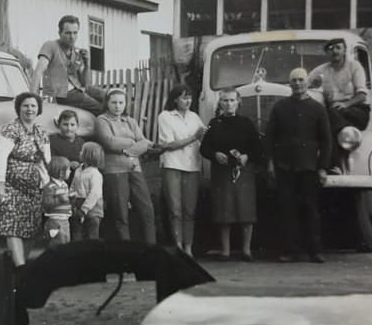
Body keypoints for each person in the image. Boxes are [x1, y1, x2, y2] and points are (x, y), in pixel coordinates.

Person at [265, 68, 332, 264]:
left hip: (309, 167)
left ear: (307, 82)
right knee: (287, 210)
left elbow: (326, 141)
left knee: (311, 209)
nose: (297, 84)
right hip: (284, 167)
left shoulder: (318, 109)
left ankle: (315, 251)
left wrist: (323, 168)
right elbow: (269, 138)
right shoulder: (280, 107)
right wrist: (270, 163)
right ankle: (290, 251)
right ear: (289, 83)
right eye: (293, 80)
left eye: (301, 80)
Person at [0, 92, 51, 266]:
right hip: (10, 185)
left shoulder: (41, 131)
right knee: (12, 225)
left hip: (32, 188)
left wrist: (48, 183)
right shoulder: (11, 129)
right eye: (25, 105)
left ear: (39, 109)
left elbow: (47, 159)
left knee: (31, 228)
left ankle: (17, 266)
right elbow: (0, 156)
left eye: (33, 106)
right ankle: (20, 267)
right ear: (18, 108)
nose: (29, 109)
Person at [200, 87, 264, 261]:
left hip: (244, 171)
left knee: (246, 210)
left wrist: (247, 156)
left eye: (232, 100)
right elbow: (204, 148)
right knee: (224, 210)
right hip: (222, 172)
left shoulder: (246, 123)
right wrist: (215, 154)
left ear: (238, 102)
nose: (229, 104)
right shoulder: (215, 123)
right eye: (225, 100)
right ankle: (226, 251)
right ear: (220, 103)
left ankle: (246, 250)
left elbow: (258, 147)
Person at [95, 88, 157, 243]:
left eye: (121, 102)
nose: (117, 106)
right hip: (115, 171)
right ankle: (125, 250)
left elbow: (144, 143)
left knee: (147, 209)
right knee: (121, 213)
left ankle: (152, 248)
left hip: (135, 169)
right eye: (114, 102)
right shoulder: (102, 120)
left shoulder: (131, 121)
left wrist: (127, 149)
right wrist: (131, 143)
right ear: (107, 103)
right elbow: (109, 142)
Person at [307, 37, 370, 172]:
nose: (335, 51)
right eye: (331, 49)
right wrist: (312, 85)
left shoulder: (354, 67)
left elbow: (362, 95)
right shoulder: (320, 70)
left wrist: (346, 104)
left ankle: (333, 164)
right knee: (325, 119)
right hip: (333, 113)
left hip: (356, 111)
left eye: (338, 48)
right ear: (327, 53)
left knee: (328, 120)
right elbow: (303, 86)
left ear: (344, 50)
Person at [157, 84, 205, 257]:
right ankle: (177, 246)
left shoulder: (194, 117)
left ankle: (188, 248)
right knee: (175, 210)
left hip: (192, 167)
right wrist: (194, 137)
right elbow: (168, 145)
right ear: (175, 99)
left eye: (190, 97)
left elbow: (204, 138)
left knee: (189, 211)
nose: (188, 101)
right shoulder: (165, 117)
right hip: (173, 166)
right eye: (184, 97)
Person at [30, 15, 106, 114]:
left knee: (108, 97)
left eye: (75, 33)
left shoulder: (76, 52)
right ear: (60, 33)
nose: (72, 37)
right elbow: (38, 71)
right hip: (62, 94)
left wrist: (87, 64)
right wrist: (31, 97)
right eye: (68, 33)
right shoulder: (51, 46)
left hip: (78, 90)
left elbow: (85, 83)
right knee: (101, 108)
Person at [69, 142, 105, 241]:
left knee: (92, 235)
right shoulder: (78, 170)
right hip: (77, 206)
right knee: (77, 233)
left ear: (88, 155)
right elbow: (73, 186)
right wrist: (71, 199)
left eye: (82, 151)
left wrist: (84, 209)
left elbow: (95, 194)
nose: (79, 152)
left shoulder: (95, 174)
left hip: (92, 209)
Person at [42, 156, 73, 245]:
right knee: (57, 243)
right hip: (55, 221)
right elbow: (46, 203)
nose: (70, 172)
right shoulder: (50, 187)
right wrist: (59, 200)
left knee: (66, 243)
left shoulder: (65, 185)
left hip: (65, 220)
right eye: (68, 170)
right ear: (61, 173)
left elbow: (67, 202)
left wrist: (71, 199)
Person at [49, 109, 85, 180]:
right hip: (60, 180)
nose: (69, 128)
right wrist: (69, 164)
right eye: (65, 124)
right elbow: (50, 162)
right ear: (59, 125)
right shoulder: (52, 141)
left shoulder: (81, 141)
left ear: (77, 125)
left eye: (72, 125)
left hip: (78, 179)